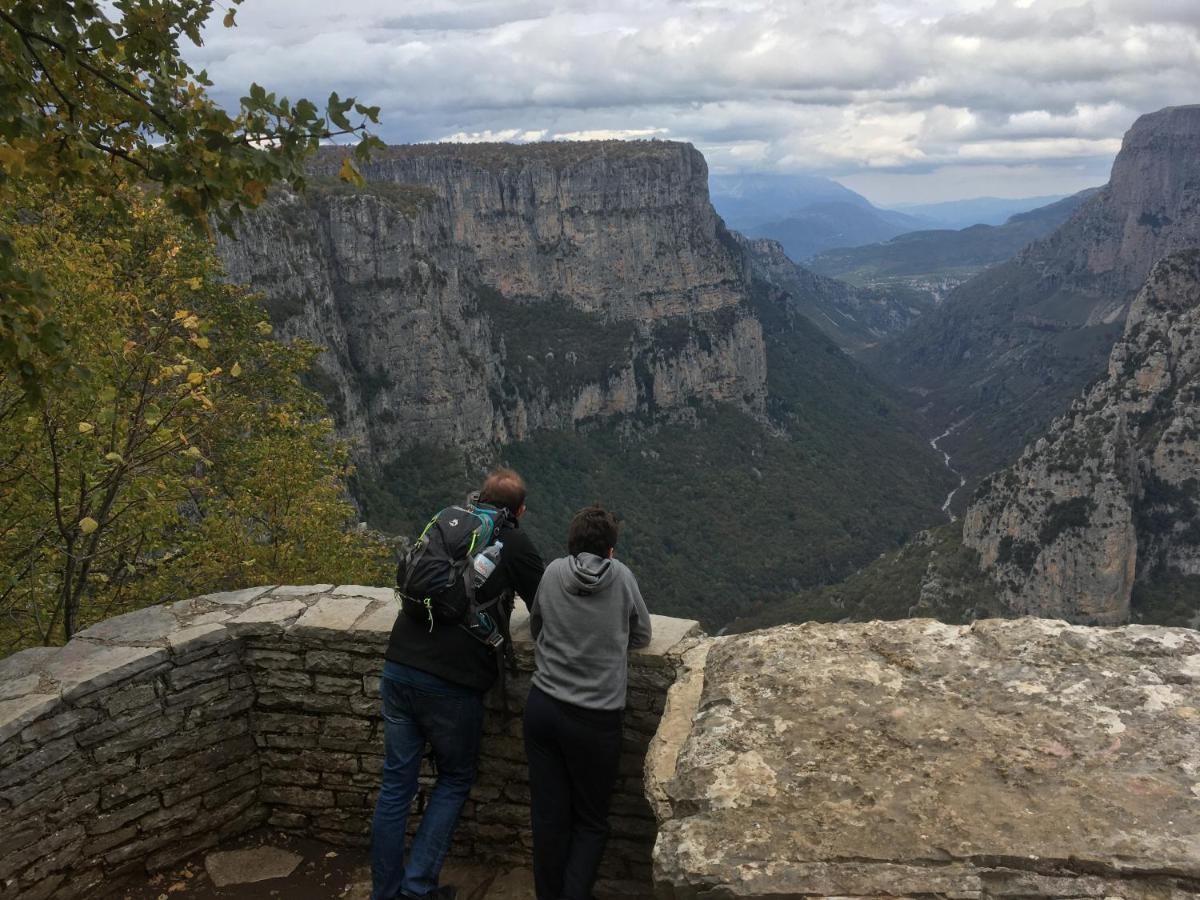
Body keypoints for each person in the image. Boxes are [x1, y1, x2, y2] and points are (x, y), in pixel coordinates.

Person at [372, 469, 545, 900]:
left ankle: (384, 892)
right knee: (453, 778)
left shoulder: (447, 523)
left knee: (396, 785)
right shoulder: (515, 542)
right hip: (451, 682)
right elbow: (545, 604)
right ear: (519, 511)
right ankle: (416, 890)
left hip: (397, 667)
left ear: (479, 498)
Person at [523, 505, 653, 900]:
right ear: (611, 550)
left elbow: (535, 626)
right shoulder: (622, 578)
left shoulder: (552, 572)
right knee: (591, 821)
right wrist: (610, 644)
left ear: (572, 543)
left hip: (543, 707)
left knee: (548, 818)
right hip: (595, 719)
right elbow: (643, 634)